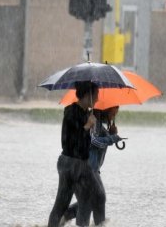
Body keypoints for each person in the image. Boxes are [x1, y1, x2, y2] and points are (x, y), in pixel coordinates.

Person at [48, 81, 104, 227]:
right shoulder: (71, 111)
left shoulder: (87, 114)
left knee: (86, 200)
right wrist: (87, 126)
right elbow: (71, 141)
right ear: (87, 95)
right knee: (89, 199)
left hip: (77, 164)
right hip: (72, 163)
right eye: (96, 95)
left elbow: (85, 143)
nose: (98, 99)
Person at [61, 106, 122, 225]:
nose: (115, 115)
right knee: (91, 200)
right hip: (86, 168)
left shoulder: (99, 124)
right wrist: (112, 138)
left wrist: (110, 134)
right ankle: (79, 220)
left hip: (93, 169)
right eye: (114, 112)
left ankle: (66, 215)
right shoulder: (94, 121)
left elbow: (99, 140)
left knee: (95, 199)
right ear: (106, 109)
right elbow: (94, 141)